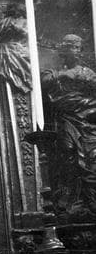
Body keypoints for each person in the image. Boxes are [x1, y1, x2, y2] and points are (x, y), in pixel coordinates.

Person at [41, 34, 96, 215]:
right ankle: (71, 200)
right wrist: (64, 74)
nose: (76, 51)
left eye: (78, 47)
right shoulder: (53, 72)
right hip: (65, 120)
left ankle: (89, 200)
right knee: (68, 156)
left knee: (89, 158)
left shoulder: (87, 72)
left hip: (86, 121)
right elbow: (44, 82)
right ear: (64, 50)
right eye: (72, 47)